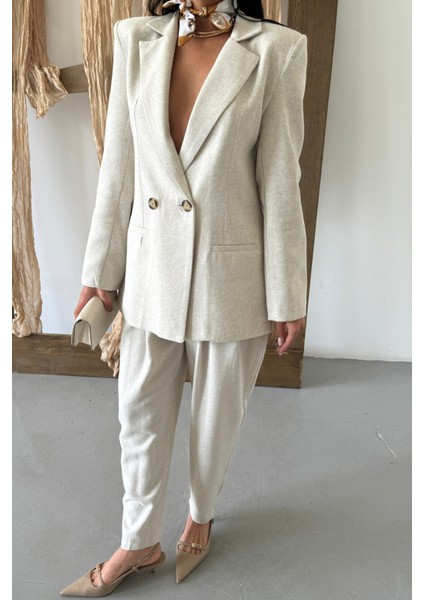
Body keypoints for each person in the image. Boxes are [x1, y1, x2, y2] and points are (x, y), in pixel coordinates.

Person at [61, 0, 308, 596]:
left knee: (216, 417)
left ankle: (201, 514)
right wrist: (100, 271)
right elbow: (119, 167)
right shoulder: (135, 39)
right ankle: (139, 539)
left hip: (232, 274)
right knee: (138, 412)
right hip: (151, 269)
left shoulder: (277, 51)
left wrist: (287, 291)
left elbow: (280, 179)